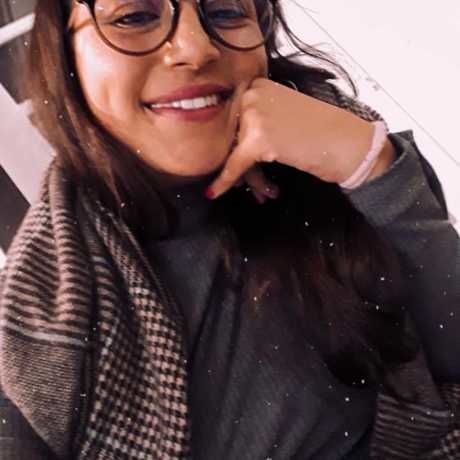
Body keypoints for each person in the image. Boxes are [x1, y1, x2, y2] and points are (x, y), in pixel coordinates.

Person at [0, 0, 459, 458]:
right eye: (134, 16)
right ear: (65, 57)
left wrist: (370, 166)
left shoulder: (337, 138)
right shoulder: (34, 328)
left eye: (225, 11)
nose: (196, 49)